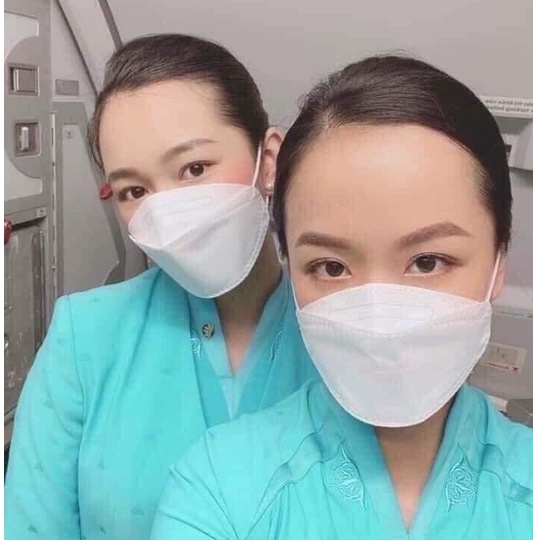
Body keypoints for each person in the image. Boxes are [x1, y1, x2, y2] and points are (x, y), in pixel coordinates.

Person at [150, 55, 533, 539]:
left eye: (427, 262)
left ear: (499, 260)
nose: (380, 319)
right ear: (290, 265)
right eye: (331, 267)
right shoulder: (219, 487)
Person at [4, 34, 317, 540]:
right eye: (134, 190)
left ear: (269, 161)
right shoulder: (85, 339)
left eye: (194, 168)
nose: (166, 212)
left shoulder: (338, 332)